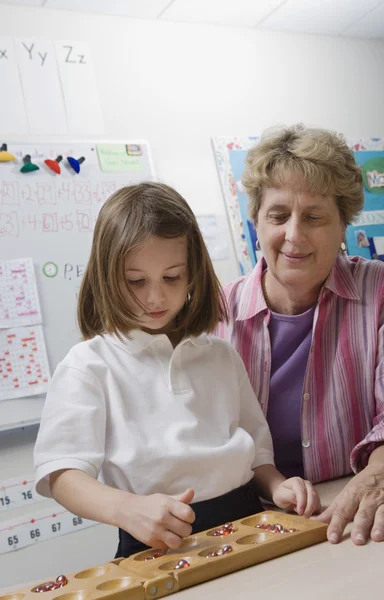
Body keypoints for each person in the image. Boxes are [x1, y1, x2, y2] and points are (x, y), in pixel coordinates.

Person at [34, 182, 320, 558]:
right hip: (155, 540)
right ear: (107, 276)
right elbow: (63, 475)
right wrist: (125, 509)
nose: (155, 297)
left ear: (194, 275)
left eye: (172, 277)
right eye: (135, 281)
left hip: (250, 523)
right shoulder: (88, 365)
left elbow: (256, 455)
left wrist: (279, 485)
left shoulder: (220, 354)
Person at [215, 124, 384, 546]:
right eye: (277, 216)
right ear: (256, 220)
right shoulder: (215, 313)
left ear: (343, 223)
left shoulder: (379, 292)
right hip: (253, 529)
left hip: (353, 516)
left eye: (314, 217)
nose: (293, 235)